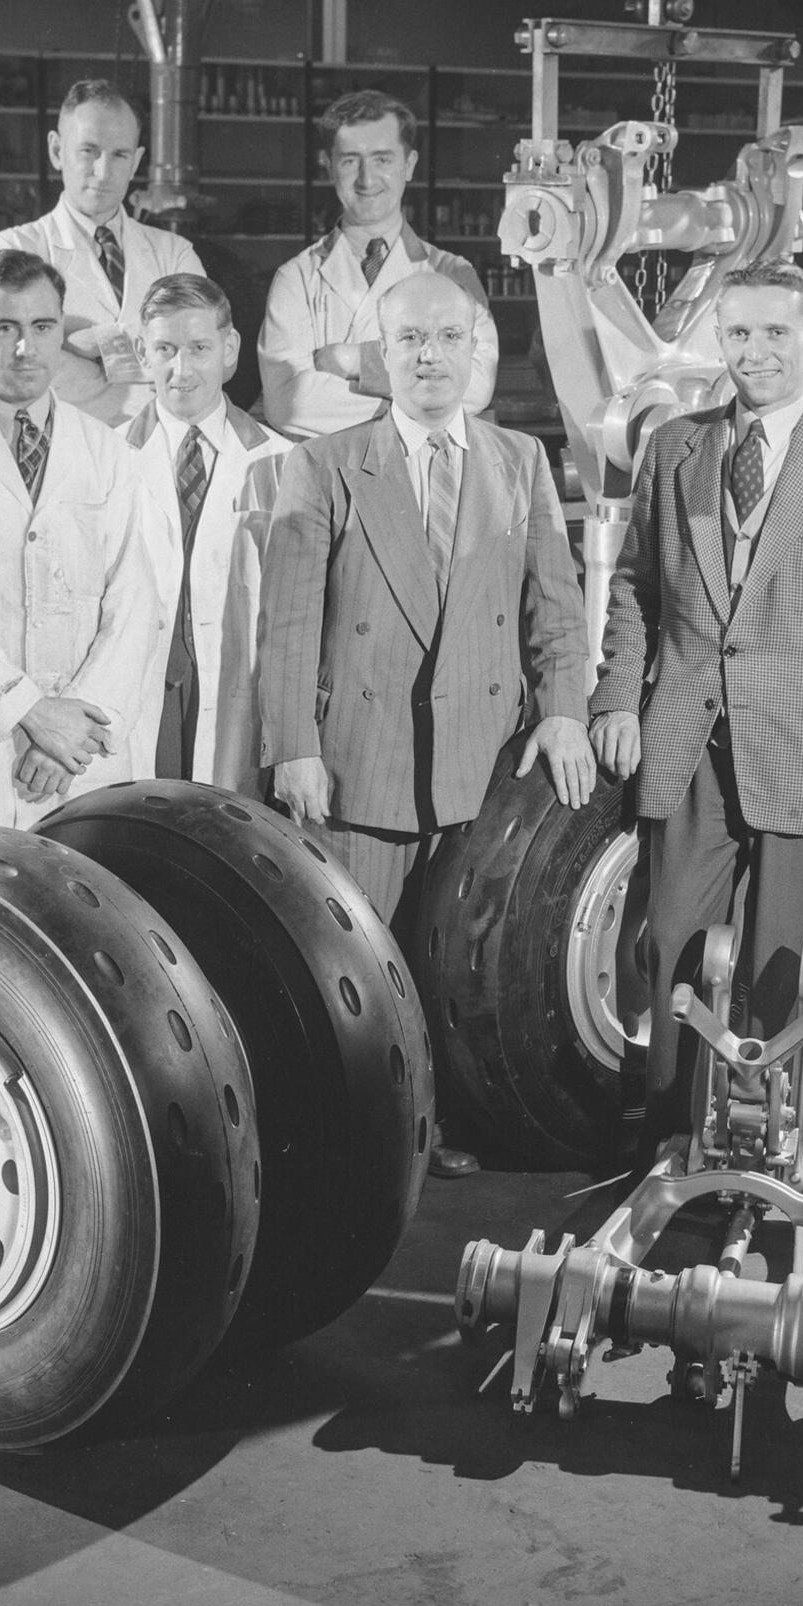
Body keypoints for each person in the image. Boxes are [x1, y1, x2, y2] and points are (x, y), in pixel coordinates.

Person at [257, 269, 594, 1174]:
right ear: (381, 355)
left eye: (448, 337)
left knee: (459, 975)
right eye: (409, 340)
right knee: (360, 969)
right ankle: (368, 1139)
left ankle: (442, 1123)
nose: (430, 356)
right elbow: (287, 624)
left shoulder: (520, 462)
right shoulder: (323, 466)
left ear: (475, 346)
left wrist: (565, 711)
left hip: (482, 773)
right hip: (364, 764)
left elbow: (557, 615)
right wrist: (294, 745)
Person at [588, 259, 803, 1159]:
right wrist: (619, 694)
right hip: (687, 740)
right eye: (738, 333)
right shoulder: (676, 449)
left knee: (783, 967)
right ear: (718, 339)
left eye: (777, 332)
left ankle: (767, 1149)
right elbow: (633, 589)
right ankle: (672, 1145)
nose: (756, 352)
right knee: (672, 952)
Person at [0, 248, 161, 827]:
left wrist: (77, 733)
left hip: (83, 759)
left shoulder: (105, 449)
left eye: (42, 327)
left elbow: (135, 604)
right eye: (4, 327)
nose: (25, 347)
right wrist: (30, 711)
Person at [124, 272, 293, 794]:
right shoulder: (106, 460)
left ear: (230, 349)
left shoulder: (281, 461)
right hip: (135, 689)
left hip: (234, 689)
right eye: (165, 349)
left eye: (199, 348)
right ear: (142, 354)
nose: (181, 369)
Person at [257, 89, 498, 441]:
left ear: (410, 165)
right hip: (330, 479)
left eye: (383, 159)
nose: (367, 180)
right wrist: (424, 404)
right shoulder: (296, 278)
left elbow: (474, 388)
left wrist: (355, 361)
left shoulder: (451, 273)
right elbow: (288, 404)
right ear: (328, 165)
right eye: (350, 160)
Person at [0, 79, 205, 425]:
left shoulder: (174, 254)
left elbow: (200, 358)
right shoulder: (14, 250)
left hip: (156, 450)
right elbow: (22, 368)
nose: (103, 172)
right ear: (57, 151)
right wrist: (154, 355)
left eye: (119, 155)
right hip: (59, 449)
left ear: (136, 162)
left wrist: (84, 344)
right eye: (88, 151)